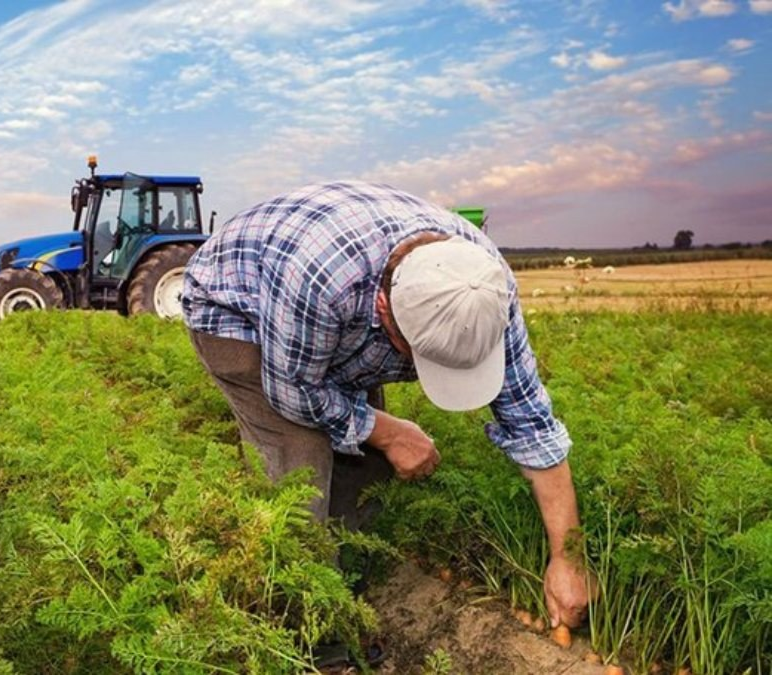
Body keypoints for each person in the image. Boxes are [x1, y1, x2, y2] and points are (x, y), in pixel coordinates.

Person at [181, 181, 593, 635]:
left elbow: (531, 423)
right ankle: (309, 631)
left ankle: (353, 584)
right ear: (384, 309)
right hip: (239, 310)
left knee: (366, 466)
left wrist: (568, 558)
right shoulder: (321, 281)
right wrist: (389, 431)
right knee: (300, 469)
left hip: (330, 314)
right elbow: (294, 392)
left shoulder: (483, 287)